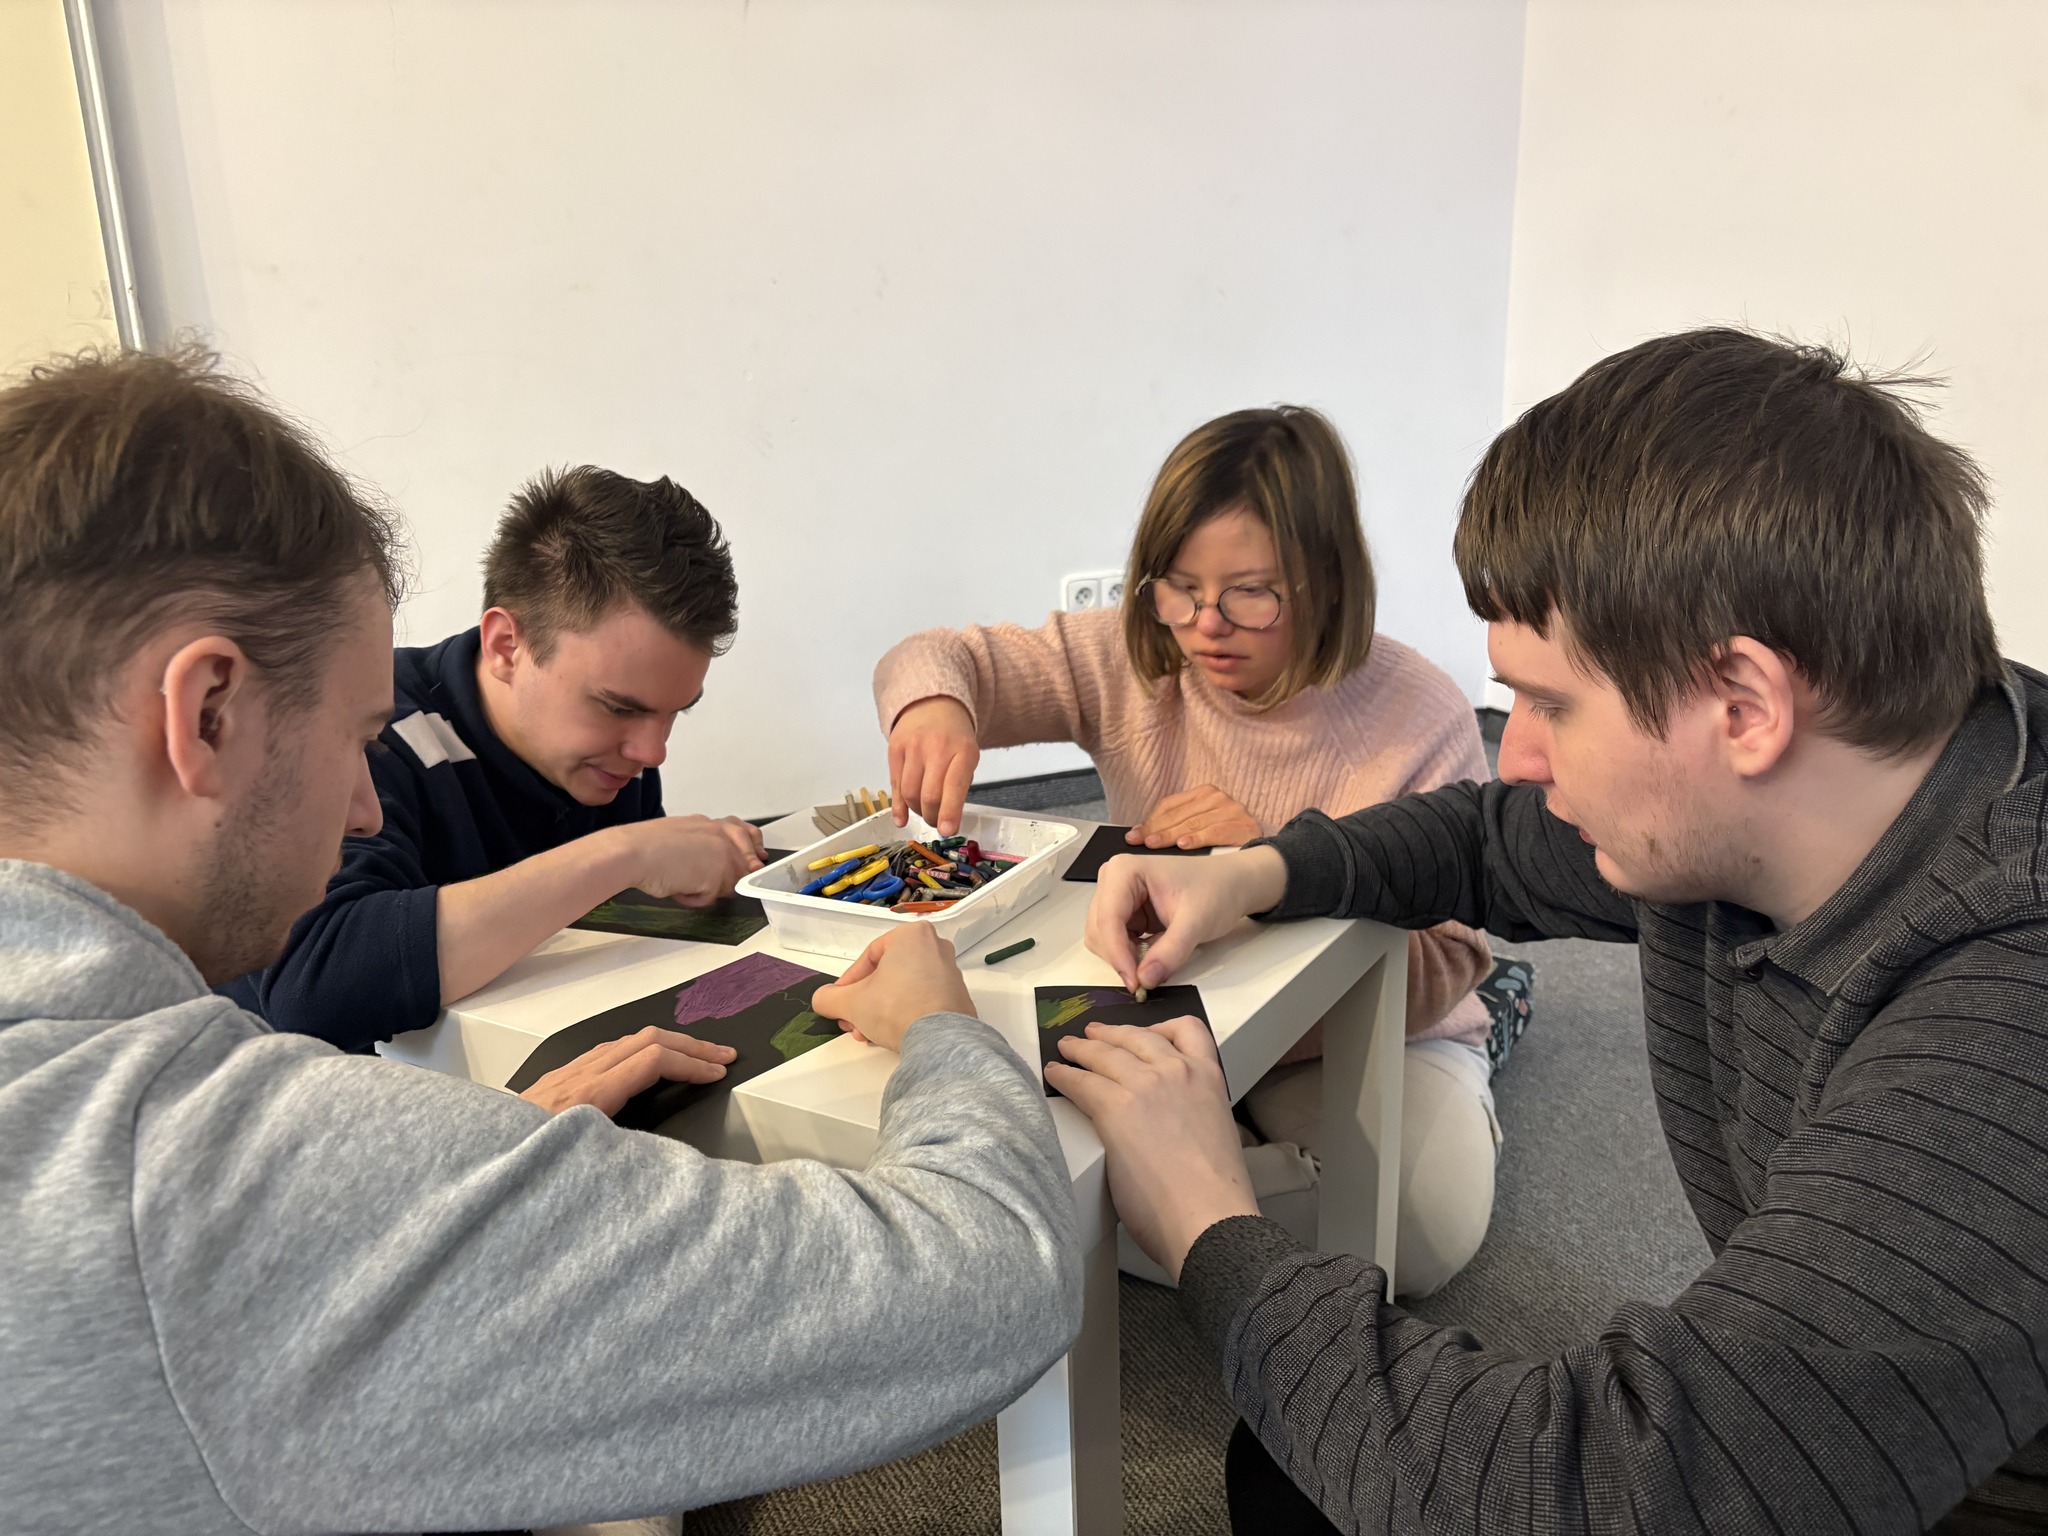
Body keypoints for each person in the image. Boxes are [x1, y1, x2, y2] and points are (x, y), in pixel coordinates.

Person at [0, 348, 1081, 1534]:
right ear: (206, 711)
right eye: (350, 739)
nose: (358, 807)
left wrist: (490, 1150)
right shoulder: (207, 1179)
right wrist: (940, 1033)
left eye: (671, 717)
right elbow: (995, 1277)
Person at [1061, 329, 2048, 1534]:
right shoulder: (1825, 781)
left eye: (1549, 705)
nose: (1516, 753)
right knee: (1297, 1465)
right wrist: (1258, 872)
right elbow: (1481, 839)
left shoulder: (2004, 1022)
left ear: (1743, 706)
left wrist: (1204, 1221)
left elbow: (1616, 1494)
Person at [876, 405, 1501, 1295]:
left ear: (1328, 582)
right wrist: (934, 706)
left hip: (1354, 1038)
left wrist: (1273, 865)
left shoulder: (1418, 712)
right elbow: (938, 655)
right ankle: (1169, 1189)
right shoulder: (1137, 659)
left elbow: (1445, 963)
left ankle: (1128, 1204)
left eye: (1252, 592)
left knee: (1415, 1230)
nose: (1207, 624)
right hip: (1173, 1012)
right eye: (1177, 587)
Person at [226, 465, 769, 1058]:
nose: (651, 751)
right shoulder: (369, 738)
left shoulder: (611, 754)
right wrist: (624, 855)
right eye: (618, 707)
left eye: (674, 713)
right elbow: (312, 987)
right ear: (506, 646)